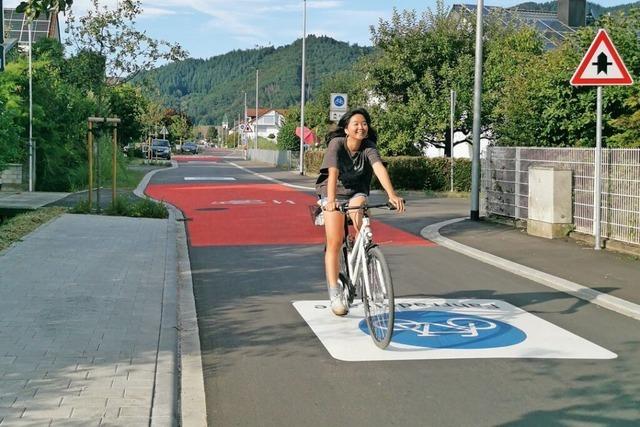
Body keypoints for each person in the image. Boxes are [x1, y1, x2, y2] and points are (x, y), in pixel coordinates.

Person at [315, 107, 405, 316]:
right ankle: (335, 292)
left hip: (356, 192)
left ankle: (363, 252)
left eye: (364, 124)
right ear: (346, 128)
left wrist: (392, 194)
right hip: (333, 192)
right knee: (335, 241)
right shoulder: (336, 144)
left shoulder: (369, 147)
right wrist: (330, 203)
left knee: (362, 221)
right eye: (356, 124)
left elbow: (379, 168)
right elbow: (333, 172)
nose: (361, 127)